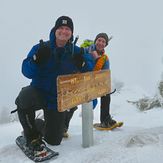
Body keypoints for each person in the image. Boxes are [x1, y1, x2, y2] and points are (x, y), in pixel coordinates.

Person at [15, 16, 95, 155]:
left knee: (54, 140)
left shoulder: (75, 51)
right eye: (61, 28)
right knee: (24, 97)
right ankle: (31, 135)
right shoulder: (41, 47)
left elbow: (89, 67)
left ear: (71, 33)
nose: (64, 31)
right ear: (55, 30)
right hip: (39, 92)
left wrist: (83, 64)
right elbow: (26, 71)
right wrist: (36, 60)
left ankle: (40, 124)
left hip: (57, 101)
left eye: (67, 29)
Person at [63, 33, 117, 134]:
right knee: (71, 103)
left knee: (106, 93)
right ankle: (63, 127)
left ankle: (105, 120)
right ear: (95, 41)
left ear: (106, 45)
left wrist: (103, 86)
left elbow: (104, 75)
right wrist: (91, 57)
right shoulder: (85, 50)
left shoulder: (104, 58)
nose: (101, 43)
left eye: (103, 41)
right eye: (99, 40)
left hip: (91, 84)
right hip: (77, 82)